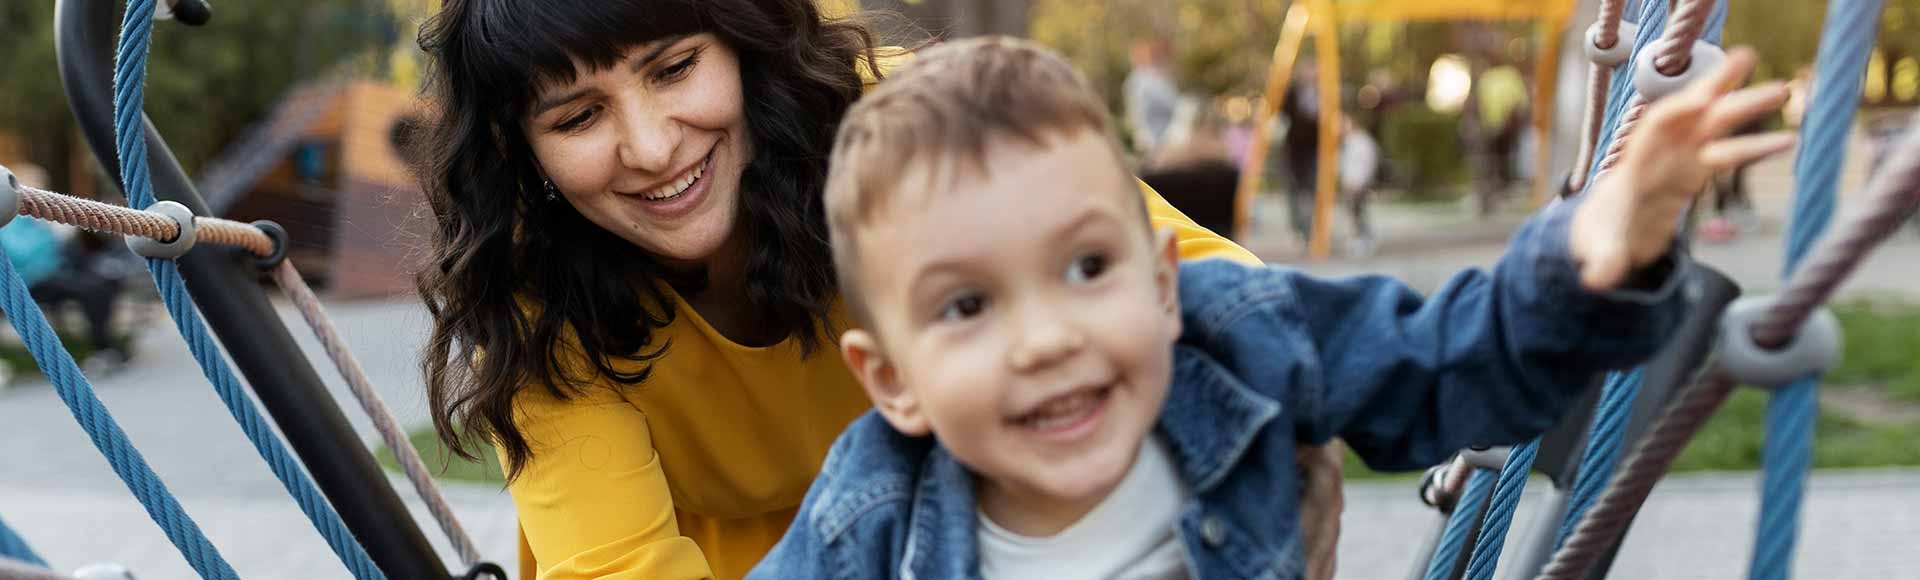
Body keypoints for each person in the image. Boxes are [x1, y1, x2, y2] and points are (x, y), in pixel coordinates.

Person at [752, 38, 1793, 579]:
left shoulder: (1237, 344)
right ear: (892, 381)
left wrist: (1591, 252)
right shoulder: (870, 517)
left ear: (1162, 281)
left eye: (1086, 270)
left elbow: (1445, 362)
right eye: (969, 304)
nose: (1048, 339)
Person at [408, 1, 1342, 578]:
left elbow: (1193, 275)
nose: (652, 147)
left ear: (739, 41)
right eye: (578, 116)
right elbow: (619, 571)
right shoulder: (536, 302)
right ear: (520, 151)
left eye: (675, 67)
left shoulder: (891, 123)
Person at [1124, 39, 1180, 157]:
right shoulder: (1141, 80)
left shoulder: (1158, 78)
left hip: (1163, 138)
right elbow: (1140, 111)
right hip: (1153, 139)